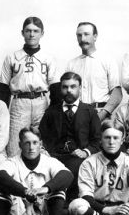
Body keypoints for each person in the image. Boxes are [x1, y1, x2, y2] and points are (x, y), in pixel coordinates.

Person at [0, 16, 59, 157]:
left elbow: (55, 89)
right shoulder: (12, 57)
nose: (32, 34)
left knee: (42, 144)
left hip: (41, 101)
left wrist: (52, 112)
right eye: (28, 31)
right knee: (14, 146)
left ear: (42, 33)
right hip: (19, 102)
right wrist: (2, 113)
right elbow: (4, 89)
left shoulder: (48, 58)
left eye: (36, 31)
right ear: (22, 32)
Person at [39, 72, 101, 201]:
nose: (69, 90)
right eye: (65, 87)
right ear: (61, 88)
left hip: (78, 158)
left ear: (80, 88)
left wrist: (86, 152)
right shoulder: (51, 111)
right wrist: (45, 151)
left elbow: (97, 140)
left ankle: (66, 204)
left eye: (73, 87)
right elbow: (42, 136)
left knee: (74, 169)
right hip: (54, 156)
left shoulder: (90, 111)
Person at [66, 22, 122, 121]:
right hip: (78, 116)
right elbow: (67, 94)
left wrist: (102, 114)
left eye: (86, 34)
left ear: (95, 36)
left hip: (101, 113)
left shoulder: (108, 60)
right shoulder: (72, 64)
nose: (82, 39)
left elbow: (117, 94)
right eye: (79, 35)